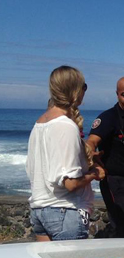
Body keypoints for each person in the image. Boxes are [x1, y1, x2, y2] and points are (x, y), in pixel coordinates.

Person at [26, 65, 105, 241]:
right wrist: (93, 174)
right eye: (84, 87)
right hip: (64, 211)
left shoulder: (39, 124)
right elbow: (70, 183)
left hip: (40, 209)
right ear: (77, 89)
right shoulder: (65, 125)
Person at [86, 76, 124, 238]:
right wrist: (91, 156)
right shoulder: (109, 118)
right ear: (117, 95)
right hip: (117, 182)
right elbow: (92, 141)